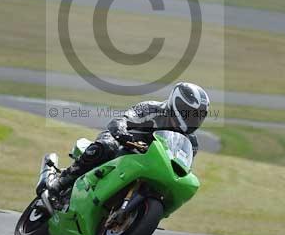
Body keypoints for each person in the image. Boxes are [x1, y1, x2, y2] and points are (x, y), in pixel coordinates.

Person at [38, 82, 210, 200]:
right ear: (177, 105)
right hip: (123, 144)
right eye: (190, 113)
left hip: (148, 165)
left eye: (198, 116)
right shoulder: (151, 108)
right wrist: (123, 135)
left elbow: (181, 170)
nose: (193, 119)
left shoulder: (191, 143)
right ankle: (61, 183)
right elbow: (121, 120)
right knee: (106, 146)